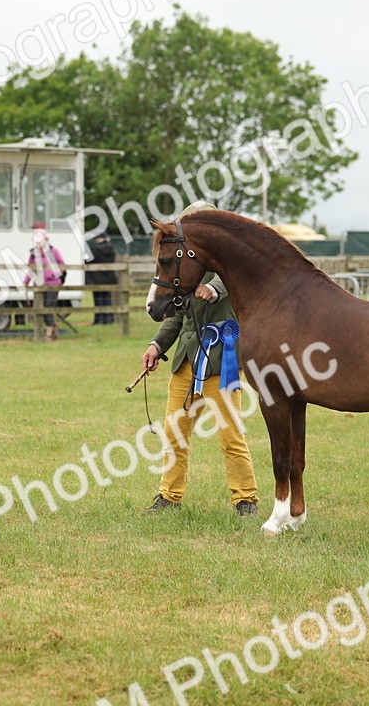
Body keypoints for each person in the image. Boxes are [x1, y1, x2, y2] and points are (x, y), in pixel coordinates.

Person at [141, 201, 259, 515]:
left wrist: (213, 288)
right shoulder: (186, 270)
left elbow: (231, 280)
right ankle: (169, 496)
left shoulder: (229, 266)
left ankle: (245, 499)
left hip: (222, 362)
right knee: (175, 433)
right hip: (185, 363)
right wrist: (157, 346)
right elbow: (177, 317)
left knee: (230, 435)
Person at [23, 225, 66, 342]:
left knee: (48, 307)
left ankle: (48, 334)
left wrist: (55, 275)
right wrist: (26, 281)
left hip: (53, 284)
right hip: (39, 285)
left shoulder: (54, 251)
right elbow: (31, 269)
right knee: (40, 308)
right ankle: (49, 329)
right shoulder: (33, 254)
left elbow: (63, 265)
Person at [86, 231, 118, 325]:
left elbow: (88, 260)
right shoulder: (111, 248)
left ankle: (99, 320)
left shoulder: (95, 250)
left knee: (98, 300)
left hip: (97, 279)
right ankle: (109, 319)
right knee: (107, 299)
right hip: (109, 278)